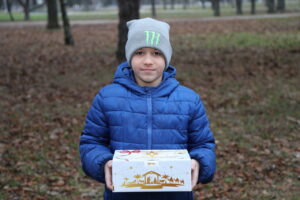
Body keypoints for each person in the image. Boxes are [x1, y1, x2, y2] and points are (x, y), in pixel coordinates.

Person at [80, 17, 216, 200]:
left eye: (157, 53)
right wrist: (103, 163)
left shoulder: (189, 100)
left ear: (167, 57)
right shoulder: (107, 98)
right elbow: (91, 142)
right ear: (129, 56)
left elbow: (203, 144)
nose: (148, 61)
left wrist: (199, 162)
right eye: (140, 53)